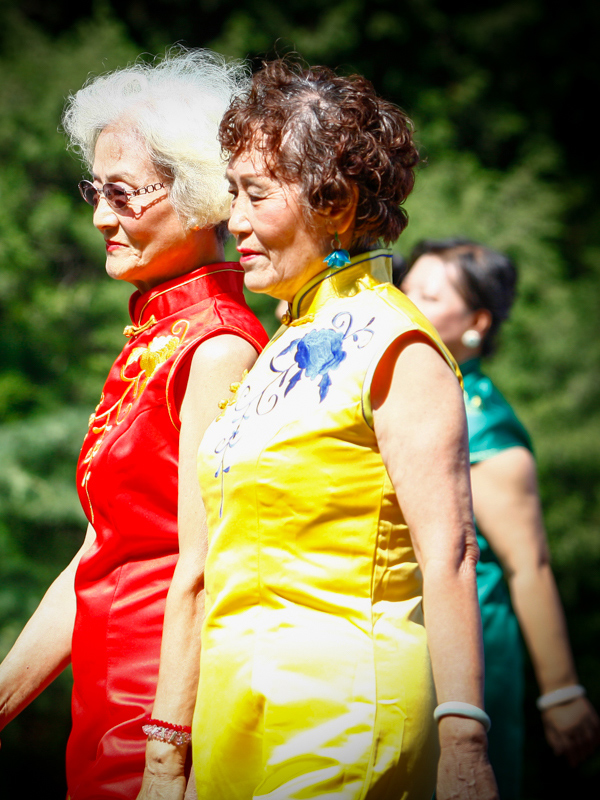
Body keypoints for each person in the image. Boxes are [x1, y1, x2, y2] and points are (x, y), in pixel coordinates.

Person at [0, 49, 268, 800]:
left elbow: (205, 572)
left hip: (164, 719)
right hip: (108, 704)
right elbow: (99, 555)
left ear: (201, 194)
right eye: (96, 191)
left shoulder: (217, 347)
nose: (102, 217)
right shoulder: (159, 334)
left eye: (124, 194)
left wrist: (167, 756)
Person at [192, 59, 498, 800]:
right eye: (233, 193)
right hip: (234, 716)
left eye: (256, 194)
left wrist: (464, 741)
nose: (234, 221)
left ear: (336, 201)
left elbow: (451, 552)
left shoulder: (398, 343)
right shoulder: (281, 342)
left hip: (343, 719)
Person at [401, 238, 600, 799]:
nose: (408, 304)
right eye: (405, 289)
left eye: (429, 295)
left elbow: (528, 566)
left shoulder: (487, 430)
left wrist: (561, 691)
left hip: (471, 648)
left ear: (477, 323)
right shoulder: (409, 394)